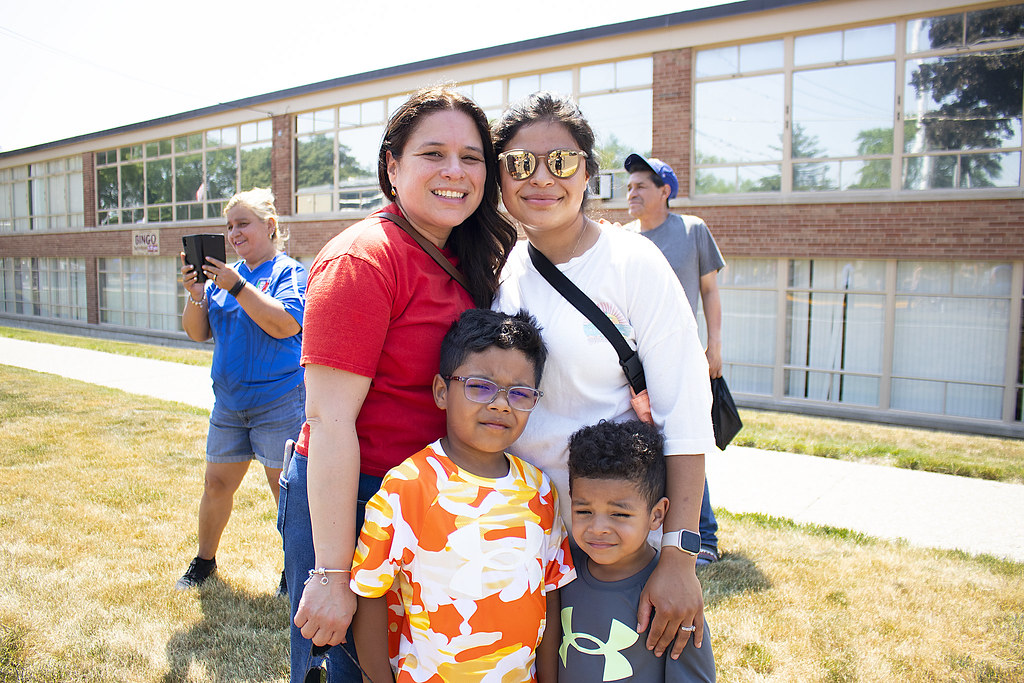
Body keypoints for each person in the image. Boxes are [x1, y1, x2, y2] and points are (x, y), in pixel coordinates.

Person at [279, 85, 518, 682]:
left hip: (434, 502)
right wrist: (334, 576)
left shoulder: (466, 256)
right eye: (432, 154)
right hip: (357, 502)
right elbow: (329, 423)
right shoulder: (363, 259)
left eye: (471, 158)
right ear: (392, 165)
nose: (454, 172)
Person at [492, 92, 717, 661]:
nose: (541, 178)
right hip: (519, 533)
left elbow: (685, 417)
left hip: (610, 542)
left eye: (561, 162)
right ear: (500, 178)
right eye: (520, 164)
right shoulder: (503, 271)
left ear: (589, 171)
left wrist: (678, 556)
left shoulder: (634, 264)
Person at [350, 308, 575, 683]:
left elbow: (550, 593)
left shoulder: (540, 490)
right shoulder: (408, 486)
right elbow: (369, 593)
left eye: (519, 393)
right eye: (480, 386)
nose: (501, 404)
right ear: (442, 391)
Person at [176, 187, 307, 592]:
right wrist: (197, 296)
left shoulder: (289, 272)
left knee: (284, 495)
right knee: (216, 485)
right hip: (230, 406)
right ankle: (205, 561)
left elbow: (286, 324)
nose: (234, 233)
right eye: (229, 226)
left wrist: (234, 286)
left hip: (279, 404)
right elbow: (198, 333)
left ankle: (295, 569)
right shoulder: (222, 279)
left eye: (243, 223)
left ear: (269, 226)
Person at [623, 154, 726, 567]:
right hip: (634, 364)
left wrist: (714, 345)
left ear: (665, 191)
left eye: (641, 186)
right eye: (629, 186)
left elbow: (710, 291)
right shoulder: (624, 238)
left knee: (686, 440)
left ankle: (706, 539)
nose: (631, 193)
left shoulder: (692, 230)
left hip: (678, 357)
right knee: (653, 447)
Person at [561, 419, 715, 682]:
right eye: (584, 511)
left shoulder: (670, 596)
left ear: (657, 515)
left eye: (619, 514)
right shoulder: (563, 572)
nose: (598, 528)